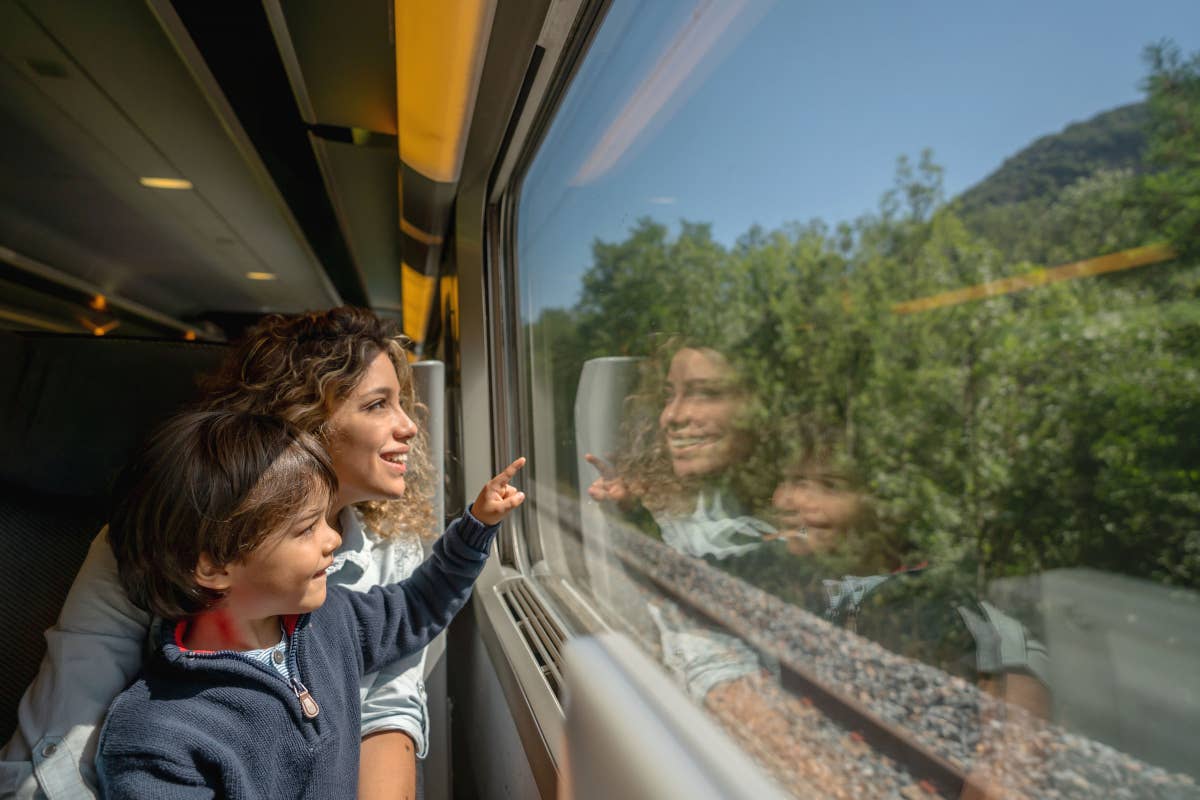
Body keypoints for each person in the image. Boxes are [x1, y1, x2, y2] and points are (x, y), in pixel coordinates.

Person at [0, 307, 447, 799]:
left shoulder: (394, 552)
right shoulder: (164, 541)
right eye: (378, 404)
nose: (410, 426)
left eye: (402, 402)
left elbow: (387, 712)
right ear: (306, 417)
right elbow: (64, 735)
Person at [94, 410, 525, 798]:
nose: (333, 539)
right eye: (305, 529)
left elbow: (417, 606)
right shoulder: (156, 738)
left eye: (327, 519)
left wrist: (475, 530)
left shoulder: (332, 621)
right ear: (212, 567)